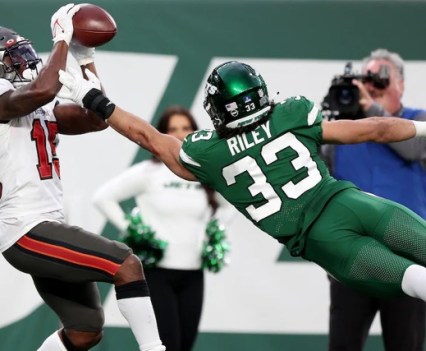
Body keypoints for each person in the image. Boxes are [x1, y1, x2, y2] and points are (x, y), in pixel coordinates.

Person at [58, 60, 426, 323]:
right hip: (353, 203)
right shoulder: (291, 113)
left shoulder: (208, 153)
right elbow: (376, 127)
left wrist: (96, 101)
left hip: (321, 240)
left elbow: (148, 137)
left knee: (414, 279)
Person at [0, 4, 165, 351]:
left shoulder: (35, 102)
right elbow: (42, 90)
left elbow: (96, 118)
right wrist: (61, 40)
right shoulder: (16, 99)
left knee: (85, 329)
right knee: (126, 264)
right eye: (13, 57)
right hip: (24, 228)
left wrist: (85, 57)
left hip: (43, 222)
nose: (24, 62)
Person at [93, 105, 232, 351]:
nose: (180, 134)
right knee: (167, 346)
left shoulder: (203, 173)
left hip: (193, 273)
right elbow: (103, 197)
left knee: (185, 345)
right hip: (156, 274)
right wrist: (136, 232)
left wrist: (214, 232)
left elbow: (230, 201)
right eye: (173, 129)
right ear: (162, 133)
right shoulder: (148, 173)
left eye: (186, 128)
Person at [323, 49, 426, 351]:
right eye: (366, 79)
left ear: (402, 84)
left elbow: (413, 150)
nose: (372, 86)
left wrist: (372, 112)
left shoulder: (417, 120)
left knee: (405, 345)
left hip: (406, 256)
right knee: (343, 345)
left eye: (381, 77)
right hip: (351, 258)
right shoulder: (343, 130)